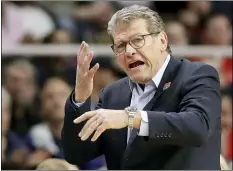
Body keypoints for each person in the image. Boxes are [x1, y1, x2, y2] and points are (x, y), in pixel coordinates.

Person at [62, 5, 221, 169]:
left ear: (162, 40)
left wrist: (131, 118)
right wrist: (80, 99)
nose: (129, 51)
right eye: (121, 45)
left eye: (138, 40)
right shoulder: (112, 94)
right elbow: (77, 155)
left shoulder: (196, 74)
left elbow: (198, 127)